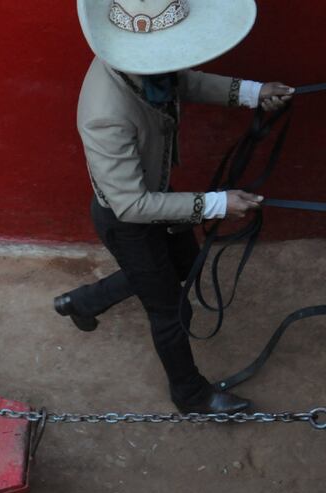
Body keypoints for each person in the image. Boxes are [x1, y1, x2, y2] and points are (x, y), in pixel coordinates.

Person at [55, 0, 294, 414]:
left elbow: (182, 81)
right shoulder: (104, 114)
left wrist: (254, 93)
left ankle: (83, 302)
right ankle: (191, 395)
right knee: (168, 309)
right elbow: (131, 205)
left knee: (181, 267)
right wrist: (217, 204)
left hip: (161, 200)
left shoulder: (142, 67)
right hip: (129, 218)